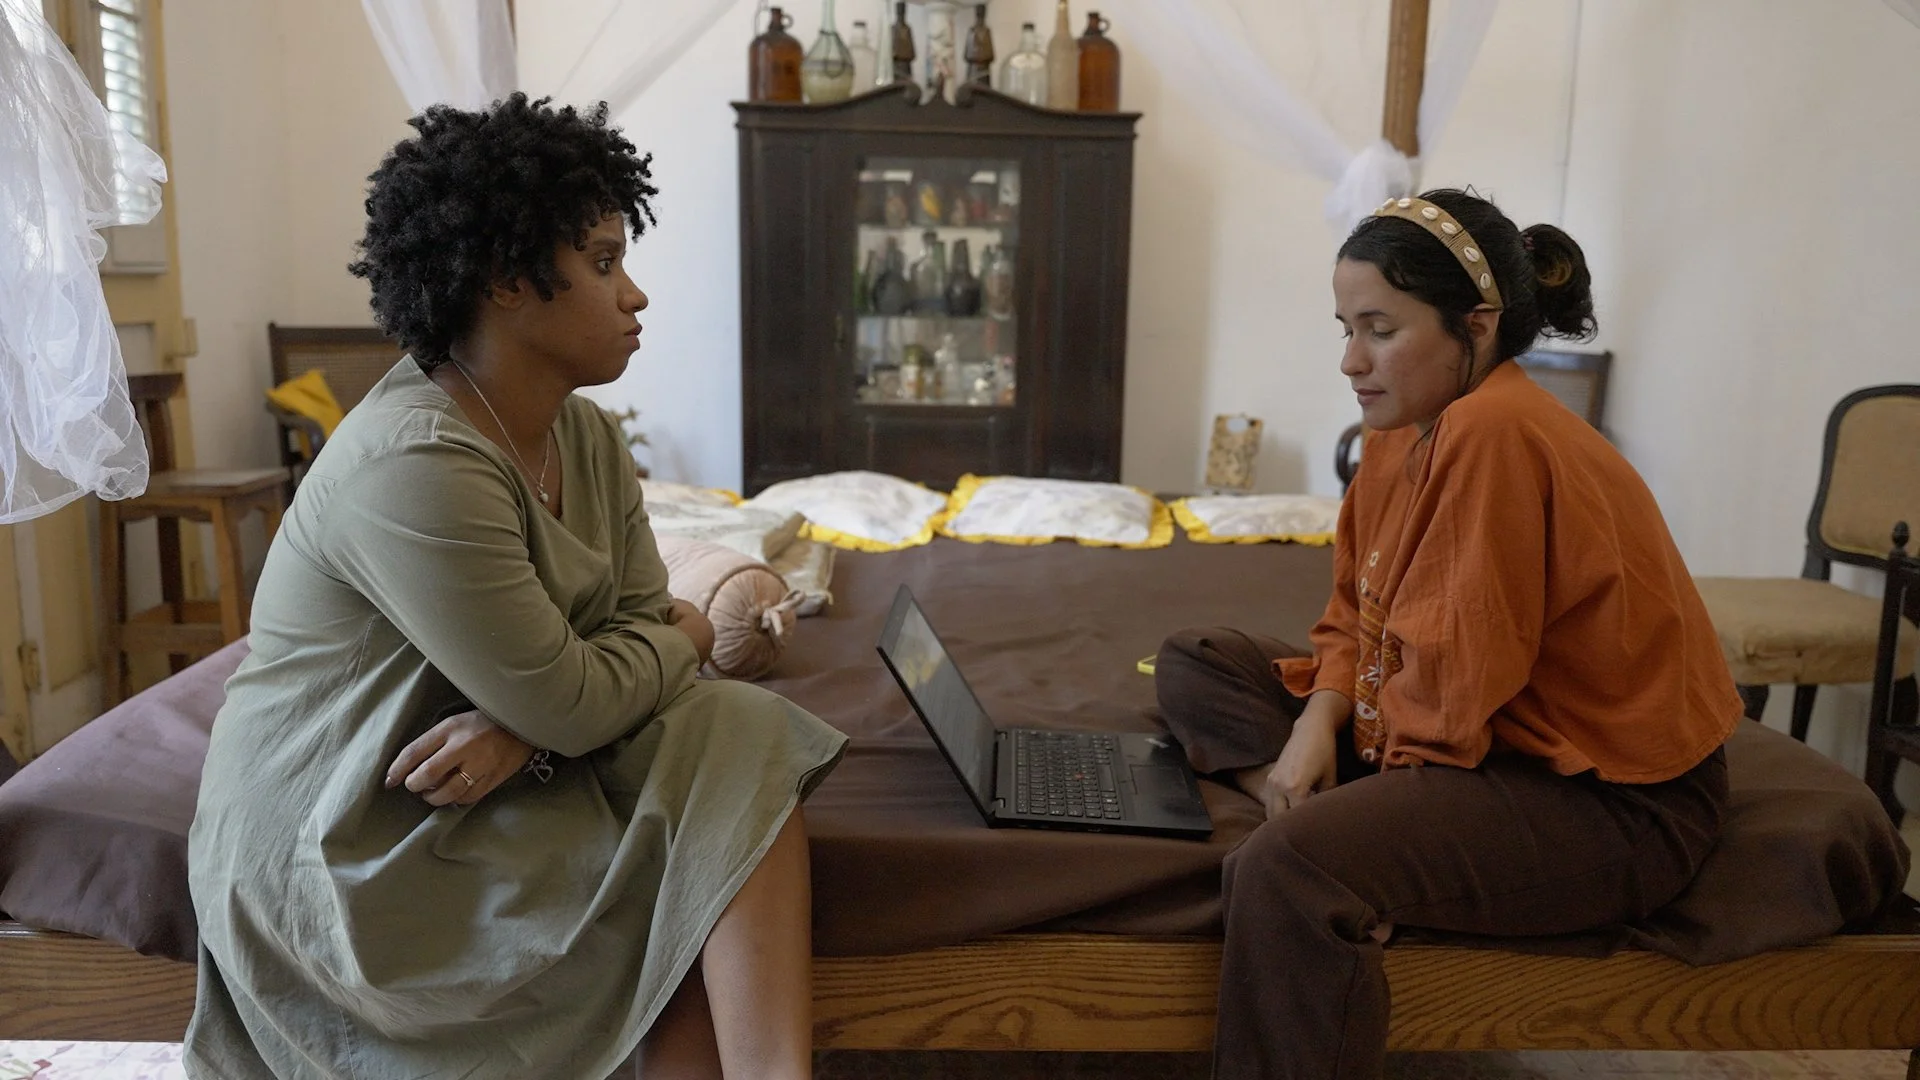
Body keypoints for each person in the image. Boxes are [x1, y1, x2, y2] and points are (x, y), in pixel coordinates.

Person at [185, 94, 846, 1080]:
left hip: (486, 772)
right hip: (354, 828)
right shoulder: (414, 462)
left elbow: (618, 636)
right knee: (700, 780)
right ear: (504, 281)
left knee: (737, 731)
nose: (636, 297)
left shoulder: (579, 431)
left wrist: (532, 721)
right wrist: (675, 642)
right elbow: (605, 673)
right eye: (605, 261)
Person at [1153, 189, 1741, 1080]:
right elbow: (1356, 611)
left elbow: (1454, 683)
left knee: (1288, 872)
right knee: (1200, 663)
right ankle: (1299, 805)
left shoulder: (1495, 431)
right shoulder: (1404, 425)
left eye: (1380, 329)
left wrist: (1368, 845)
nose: (1352, 360)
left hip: (1615, 800)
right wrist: (1318, 724)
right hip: (1489, 741)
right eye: (1345, 328)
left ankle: (1310, 843)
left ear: (1477, 324)